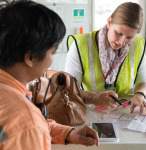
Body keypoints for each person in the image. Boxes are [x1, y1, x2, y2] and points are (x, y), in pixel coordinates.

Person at [0, 0, 101, 149]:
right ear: (30, 57)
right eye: (52, 53)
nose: (51, 62)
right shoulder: (27, 122)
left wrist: (67, 133)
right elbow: (28, 127)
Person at [65, 2, 146, 116]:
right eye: (118, 33)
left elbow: (145, 82)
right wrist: (93, 98)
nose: (121, 42)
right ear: (109, 23)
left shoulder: (138, 45)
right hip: (92, 110)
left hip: (126, 113)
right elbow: (68, 90)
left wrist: (140, 94)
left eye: (129, 37)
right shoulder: (81, 45)